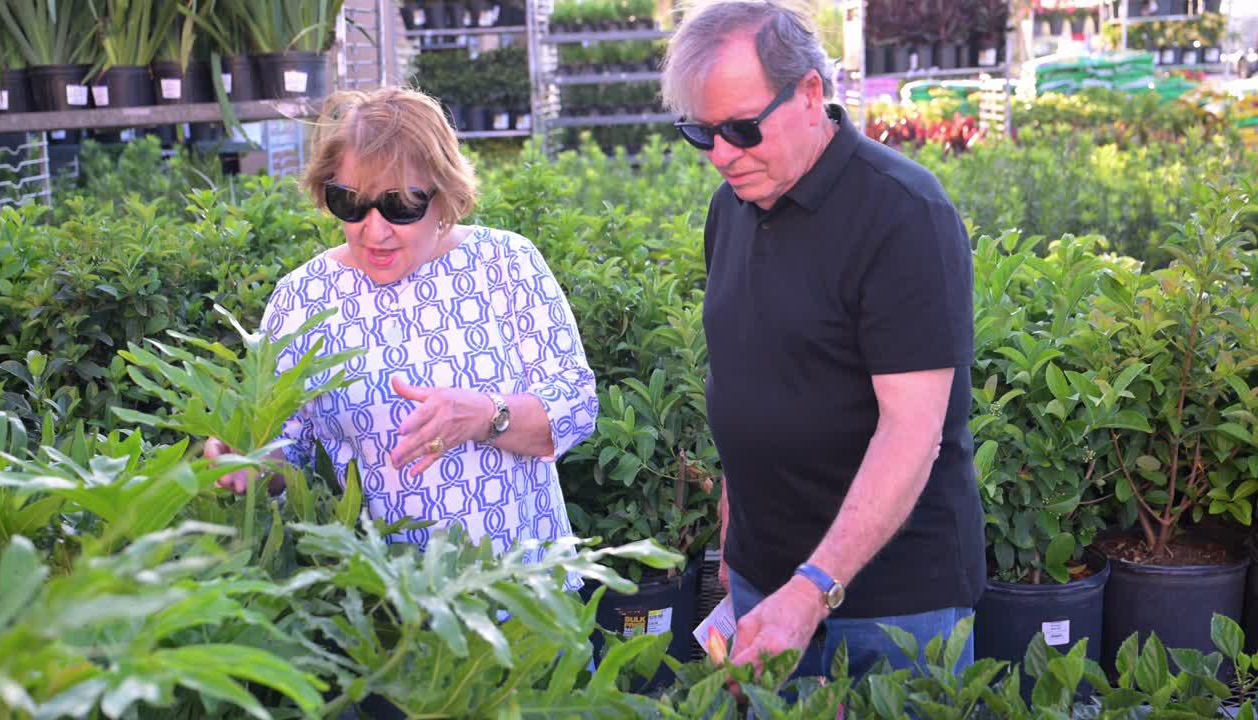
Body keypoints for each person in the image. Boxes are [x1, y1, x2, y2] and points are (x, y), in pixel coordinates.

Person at [661, 0, 985, 681]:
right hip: (761, 584)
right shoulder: (732, 209)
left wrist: (811, 589)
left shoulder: (904, 215)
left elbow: (911, 431)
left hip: (893, 609)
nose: (721, 155)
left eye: (743, 128)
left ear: (810, 93)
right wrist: (734, 552)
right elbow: (749, 381)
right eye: (703, 133)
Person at [206, 87, 597, 568]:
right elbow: (290, 454)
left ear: (445, 193)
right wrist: (247, 464)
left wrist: (485, 416)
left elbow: (575, 407)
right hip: (377, 608)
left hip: (522, 597)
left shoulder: (505, 264)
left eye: (401, 205)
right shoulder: (302, 298)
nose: (374, 230)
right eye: (350, 202)